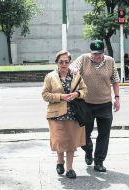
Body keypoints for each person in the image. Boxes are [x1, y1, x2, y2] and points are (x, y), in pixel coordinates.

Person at [70, 39, 120, 172]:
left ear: (104, 51)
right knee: (84, 134)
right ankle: (88, 149)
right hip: (86, 104)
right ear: (90, 52)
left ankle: (99, 162)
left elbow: (115, 80)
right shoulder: (84, 59)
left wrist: (117, 98)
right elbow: (72, 67)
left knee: (104, 134)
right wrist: (74, 69)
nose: (96, 57)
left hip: (105, 104)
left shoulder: (110, 61)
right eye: (94, 54)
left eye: (99, 54)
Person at [42, 50, 87, 179]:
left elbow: (85, 90)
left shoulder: (76, 75)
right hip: (56, 114)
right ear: (56, 62)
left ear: (69, 63)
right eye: (61, 62)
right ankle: (60, 161)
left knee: (72, 142)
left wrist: (77, 94)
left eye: (66, 62)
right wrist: (61, 96)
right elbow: (45, 95)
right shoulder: (50, 76)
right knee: (60, 141)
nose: (64, 64)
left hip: (74, 114)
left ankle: (70, 168)